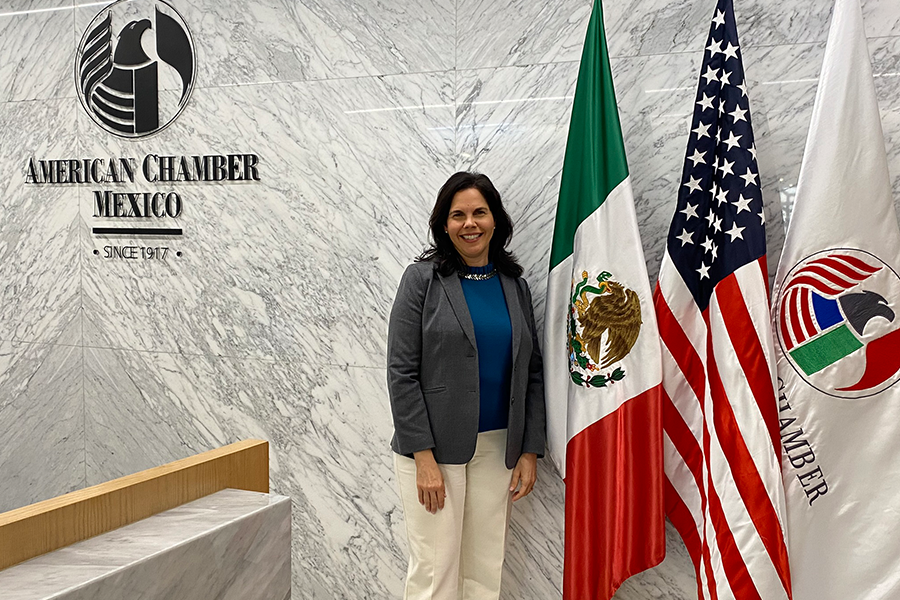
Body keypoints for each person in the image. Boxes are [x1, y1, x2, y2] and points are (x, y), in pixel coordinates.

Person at [387, 171, 546, 600]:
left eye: (479, 212)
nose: (469, 223)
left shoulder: (516, 286)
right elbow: (401, 372)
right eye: (458, 215)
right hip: (434, 450)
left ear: (496, 220)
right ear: (444, 224)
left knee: (483, 568)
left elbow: (531, 370)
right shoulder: (421, 280)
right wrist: (423, 457)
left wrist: (529, 449)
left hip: (499, 449)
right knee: (435, 571)